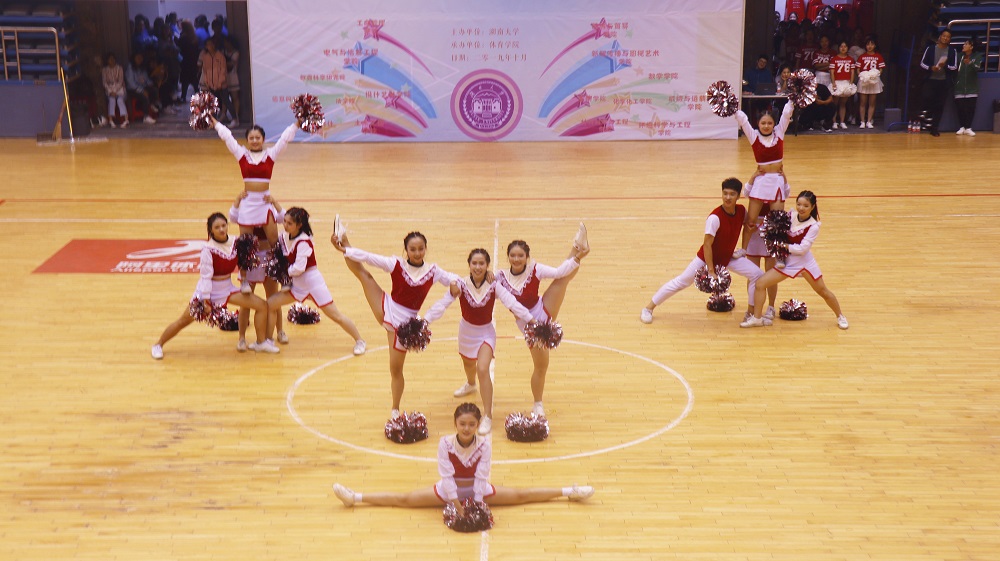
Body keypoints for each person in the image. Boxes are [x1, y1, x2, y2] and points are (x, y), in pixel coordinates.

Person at [332, 403, 595, 511]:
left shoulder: (484, 445)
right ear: (455, 424)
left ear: (478, 425)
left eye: (471, 424)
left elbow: (481, 478)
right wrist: (458, 506)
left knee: (522, 495)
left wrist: (476, 505)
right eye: (462, 424)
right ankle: (355, 497)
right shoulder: (445, 444)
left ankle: (569, 491)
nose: (467, 428)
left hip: (478, 492)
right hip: (449, 492)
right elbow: (447, 478)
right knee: (404, 500)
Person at [331, 227, 458, 418]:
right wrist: (346, 249)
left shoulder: (433, 271)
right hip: (386, 307)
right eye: (413, 249)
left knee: (396, 369)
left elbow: (454, 278)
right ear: (406, 250)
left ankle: (395, 408)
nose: (417, 253)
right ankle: (345, 242)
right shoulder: (396, 263)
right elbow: (369, 257)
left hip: (405, 327)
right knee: (364, 275)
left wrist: (454, 283)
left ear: (426, 249)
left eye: (421, 249)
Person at [423, 249, 535, 435]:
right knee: (468, 365)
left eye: (481, 263)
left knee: (482, 369)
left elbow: (512, 303)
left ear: (487, 265)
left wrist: (532, 320)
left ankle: (488, 416)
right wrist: (425, 321)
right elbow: (442, 304)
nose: (477, 267)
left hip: (485, 333)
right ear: (469, 265)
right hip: (466, 333)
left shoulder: (494, 285)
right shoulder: (460, 285)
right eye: (474, 263)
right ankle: (470, 384)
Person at [641, 178, 764, 324]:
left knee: (757, 274)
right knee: (682, 282)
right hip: (706, 259)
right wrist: (711, 270)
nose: (727, 197)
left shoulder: (741, 211)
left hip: (727, 257)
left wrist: (743, 249)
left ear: (738, 196)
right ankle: (648, 308)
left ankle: (750, 313)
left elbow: (749, 226)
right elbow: (707, 245)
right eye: (725, 193)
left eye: (732, 194)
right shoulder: (714, 218)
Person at [496, 225, 589, 417]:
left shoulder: (535, 269)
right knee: (541, 365)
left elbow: (559, 272)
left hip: (542, 309)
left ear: (527, 257)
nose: (516, 259)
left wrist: (578, 257)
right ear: (508, 257)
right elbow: (511, 305)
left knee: (562, 279)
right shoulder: (499, 278)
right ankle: (537, 402)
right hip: (527, 324)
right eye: (512, 255)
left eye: (520, 255)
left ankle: (577, 247)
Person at [152, 213, 273, 359]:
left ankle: (260, 342)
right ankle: (158, 345)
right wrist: (205, 300)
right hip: (208, 292)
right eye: (217, 227)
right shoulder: (208, 249)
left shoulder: (235, 242)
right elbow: (206, 277)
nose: (221, 229)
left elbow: (243, 262)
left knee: (262, 305)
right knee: (183, 321)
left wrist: (244, 280)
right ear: (211, 230)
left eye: (223, 225)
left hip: (228, 289)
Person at [210, 114, 301, 293]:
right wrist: (214, 122)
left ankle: (284, 276)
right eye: (251, 138)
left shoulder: (271, 154)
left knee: (275, 243)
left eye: (257, 137)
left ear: (263, 139)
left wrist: (297, 123)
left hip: (265, 204)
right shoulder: (242, 154)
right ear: (247, 140)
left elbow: (285, 139)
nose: (254, 140)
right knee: (245, 244)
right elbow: (227, 137)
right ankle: (244, 280)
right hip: (248, 204)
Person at [263, 208, 366, 355]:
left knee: (335, 315)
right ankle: (268, 341)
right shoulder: (286, 237)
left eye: (289, 223)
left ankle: (360, 341)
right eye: (284, 222)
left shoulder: (304, 241)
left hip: (313, 284)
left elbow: (299, 268)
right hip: (298, 286)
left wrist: (284, 271)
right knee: (271, 304)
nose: (285, 225)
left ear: (299, 225)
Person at [740, 191, 848, 330]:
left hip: (805, 264)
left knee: (823, 291)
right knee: (760, 284)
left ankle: (840, 316)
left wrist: (783, 245)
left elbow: (802, 249)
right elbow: (775, 228)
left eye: (806, 206)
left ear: (812, 207)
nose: (801, 208)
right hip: (787, 263)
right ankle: (757, 318)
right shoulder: (790, 215)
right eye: (799, 204)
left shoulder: (814, 226)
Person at [734, 101, 794, 266]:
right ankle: (743, 249)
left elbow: (786, 114)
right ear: (758, 124)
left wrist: (792, 100)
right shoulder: (753, 136)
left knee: (778, 222)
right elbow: (743, 121)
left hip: (776, 182)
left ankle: (779, 253)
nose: (766, 126)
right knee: (751, 221)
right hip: (761, 182)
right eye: (763, 123)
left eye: (769, 123)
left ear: (774, 124)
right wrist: (734, 109)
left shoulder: (779, 133)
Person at [228, 193, 288, 350]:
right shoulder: (246, 207)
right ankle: (242, 338)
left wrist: (275, 202)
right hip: (251, 259)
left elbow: (284, 218)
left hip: (269, 257)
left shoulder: (267, 206)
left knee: (274, 299)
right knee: (246, 301)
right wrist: (237, 200)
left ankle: (280, 331)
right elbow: (232, 217)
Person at [919, 29, 958, 137]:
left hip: (943, 82)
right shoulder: (930, 49)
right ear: (940, 36)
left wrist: (945, 66)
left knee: (940, 105)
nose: (945, 38)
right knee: (927, 98)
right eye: (944, 36)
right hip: (930, 80)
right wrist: (930, 68)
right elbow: (922, 63)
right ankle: (925, 121)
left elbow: (954, 66)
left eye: (948, 37)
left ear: (950, 39)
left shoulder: (952, 51)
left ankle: (934, 128)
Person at [199, 38, 237, 126]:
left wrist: (219, 83)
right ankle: (213, 121)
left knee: (226, 100)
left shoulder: (220, 56)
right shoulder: (206, 57)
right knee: (212, 103)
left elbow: (223, 71)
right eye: (208, 45)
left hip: (221, 84)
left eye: (211, 44)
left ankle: (235, 119)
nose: (209, 46)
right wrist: (208, 83)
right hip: (211, 85)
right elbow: (205, 71)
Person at [954, 38, 983, 136]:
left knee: (970, 109)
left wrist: (970, 63)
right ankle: (962, 127)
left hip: (972, 88)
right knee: (960, 109)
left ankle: (968, 128)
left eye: (966, 44)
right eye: (964, 44)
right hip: (959, 87)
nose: (964, 45)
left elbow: (977, 68)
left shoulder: (977, 56)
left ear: (971, 47)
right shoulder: (959, 56)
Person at [856, 36, 886, 129]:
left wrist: (875, 75)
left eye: (872, 44)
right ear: (865, 46)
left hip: (874, 81)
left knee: (872, 102)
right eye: (868, 44)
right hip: (864, 80)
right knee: (862, 102)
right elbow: (858, 69)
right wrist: (862, 76)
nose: (869, 46)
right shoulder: (862, 57)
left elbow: (881, 69)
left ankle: (869, 121)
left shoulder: (878, 56)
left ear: (875, 45)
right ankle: (862, 121)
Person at [124, 52, 158, 124]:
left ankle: (151, 104)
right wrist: (142, 91)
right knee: (144, 96)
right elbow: (131, 84)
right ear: (134, 59)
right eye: (138, 58)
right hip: (132, 89)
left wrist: (150, 84)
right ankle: (146, 116)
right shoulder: (130, 68)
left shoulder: (142, 67)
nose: (140, 60)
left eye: (141, 58)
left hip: (142, 87)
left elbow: (146, 79)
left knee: (154, 90)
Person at [830, 40, 857, 129]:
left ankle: (842, 122)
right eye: (841, 46)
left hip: (846, 82)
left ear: (847, 48)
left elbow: (852, 72)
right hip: (837, 82)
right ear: (838, 48)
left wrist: (851, 83)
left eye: (845, 46)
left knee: (843, 103)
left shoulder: (851, 59)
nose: (843, 48)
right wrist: (833, 83)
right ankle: (834, 122)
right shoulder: (834, 59)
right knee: (835, 103)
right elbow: (832, 72)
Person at [101, 53, 128, 128]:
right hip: (110, 91)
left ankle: (125, 119)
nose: (112, 61)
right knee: (111, 100)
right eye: (110, 59)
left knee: (120, 100)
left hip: (120, 90)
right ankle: (111, 120)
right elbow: (104, 82)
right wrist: (110, 91)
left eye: (113, 59)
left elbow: (120, 81)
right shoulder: (104, 70)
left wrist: (115, 91)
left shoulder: (119, 68)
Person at [178, 20, 201, 102]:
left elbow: (180, 49)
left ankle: (183, 97)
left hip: (185, 61)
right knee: (194, 81)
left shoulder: (183, 38)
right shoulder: (194, 37)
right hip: (193, 61)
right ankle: (199, 96)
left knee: (185, 81)